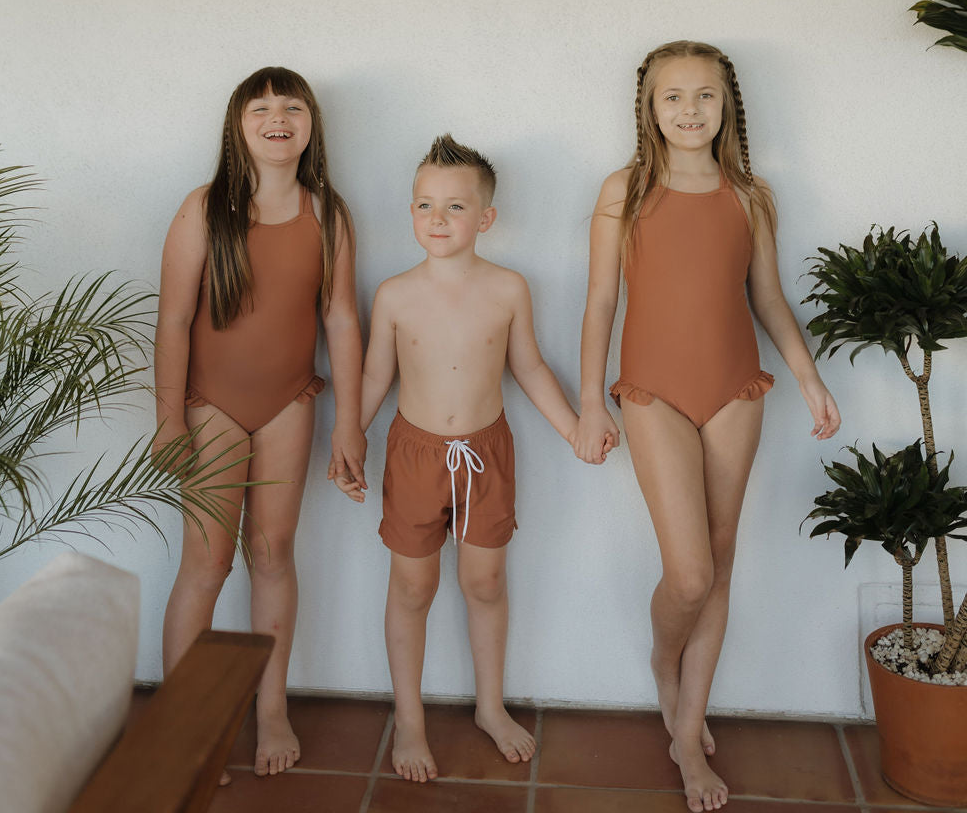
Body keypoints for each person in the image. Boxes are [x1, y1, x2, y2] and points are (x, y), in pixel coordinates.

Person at [574, 41, 840, 813]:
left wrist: (808, 375)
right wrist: (592, 400)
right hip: (652, 392)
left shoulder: (751, 195)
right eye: (673, 97)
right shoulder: (625, 189)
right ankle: (668, 663)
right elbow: (599, 303)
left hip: (736, 391)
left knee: (720, 562)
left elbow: (768, 297)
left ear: (729, 106)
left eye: (705, 97)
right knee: (687, 573)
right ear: (648, 109)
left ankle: (687, 730)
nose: (690, 111)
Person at [332, 133, 578, 782]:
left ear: (486, 218)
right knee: (413, 586)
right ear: (410, 210)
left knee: (484, 582)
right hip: (415, 455)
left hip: (486, 454)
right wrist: (347, 438)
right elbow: (376, 379)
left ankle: (490, 707)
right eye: (424, 205)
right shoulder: (393, 294)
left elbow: (528, 365)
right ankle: (409, 718)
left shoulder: (508, 288)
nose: (437, 220)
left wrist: (575, 428)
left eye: (455, 207)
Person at [153, 67, 365, 777]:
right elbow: (175, 319)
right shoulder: (204, 208)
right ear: (237, 126)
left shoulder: (327, 212)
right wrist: (168, 418)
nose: (278, 119)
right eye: (262, 109)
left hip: (289, 405)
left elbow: (339, 317)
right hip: (209, 408)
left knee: (273, 555)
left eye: (293, 107)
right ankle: (187, 718)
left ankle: (271, 708)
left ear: (311, 125)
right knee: (207, 561)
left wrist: (351, 423)